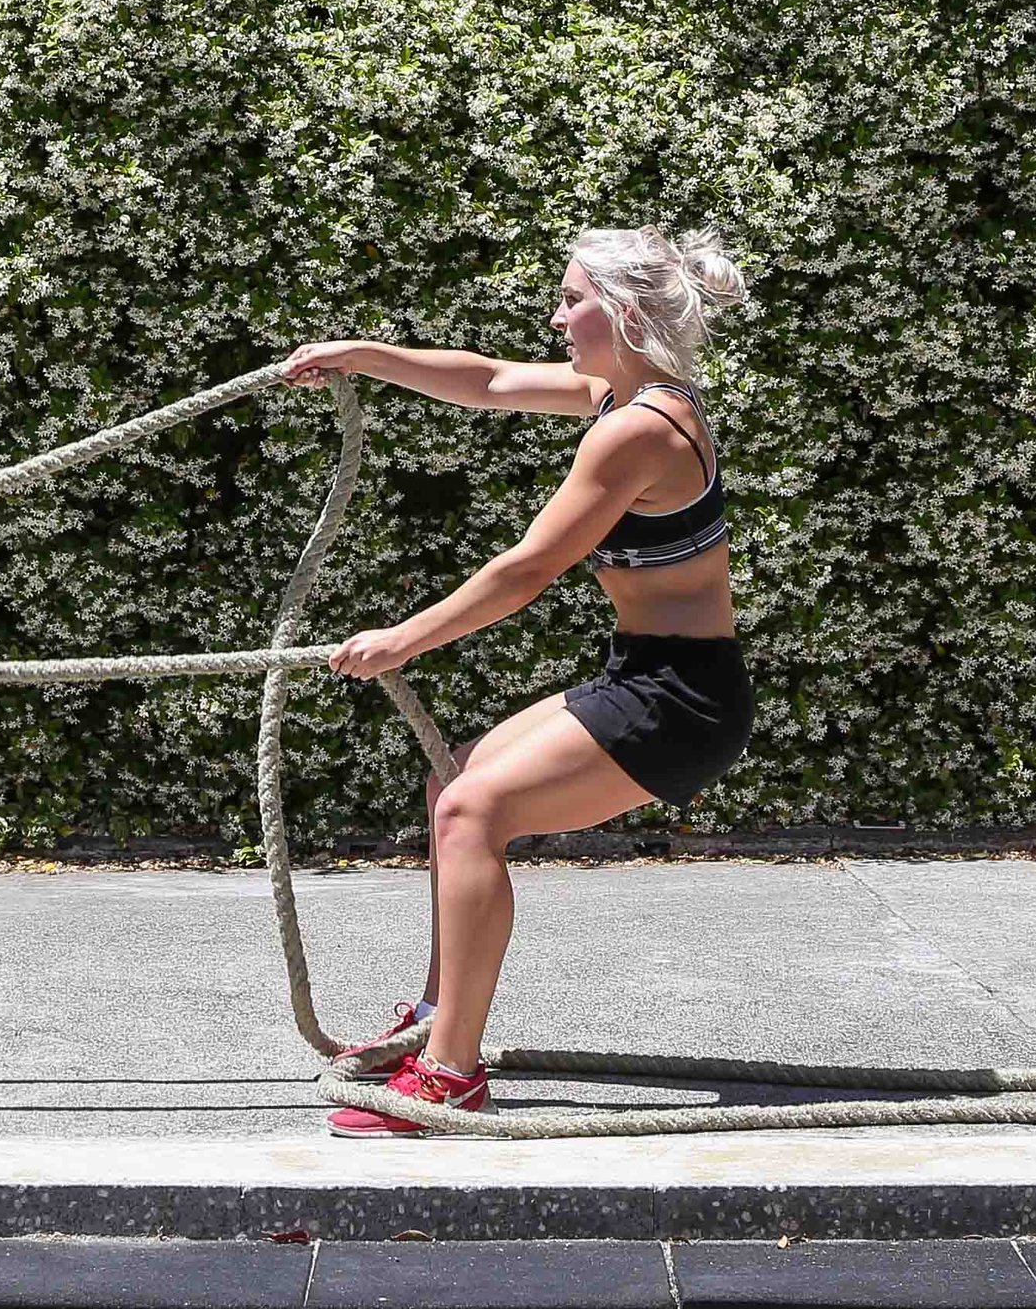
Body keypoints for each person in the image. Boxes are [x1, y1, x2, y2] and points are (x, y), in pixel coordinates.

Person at [281, 225, 756, 1135]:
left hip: (684, 702)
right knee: (456, 784)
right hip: (649, 673)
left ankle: (452, 1075)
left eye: (572, 298)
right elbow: (487, 381)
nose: (556, 314)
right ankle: (434, 1022)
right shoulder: (624, 395)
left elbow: (527, 568)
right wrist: (363, 356)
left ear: (619, 312)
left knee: (471, 814)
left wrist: (403, 640)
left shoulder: (638, 432)